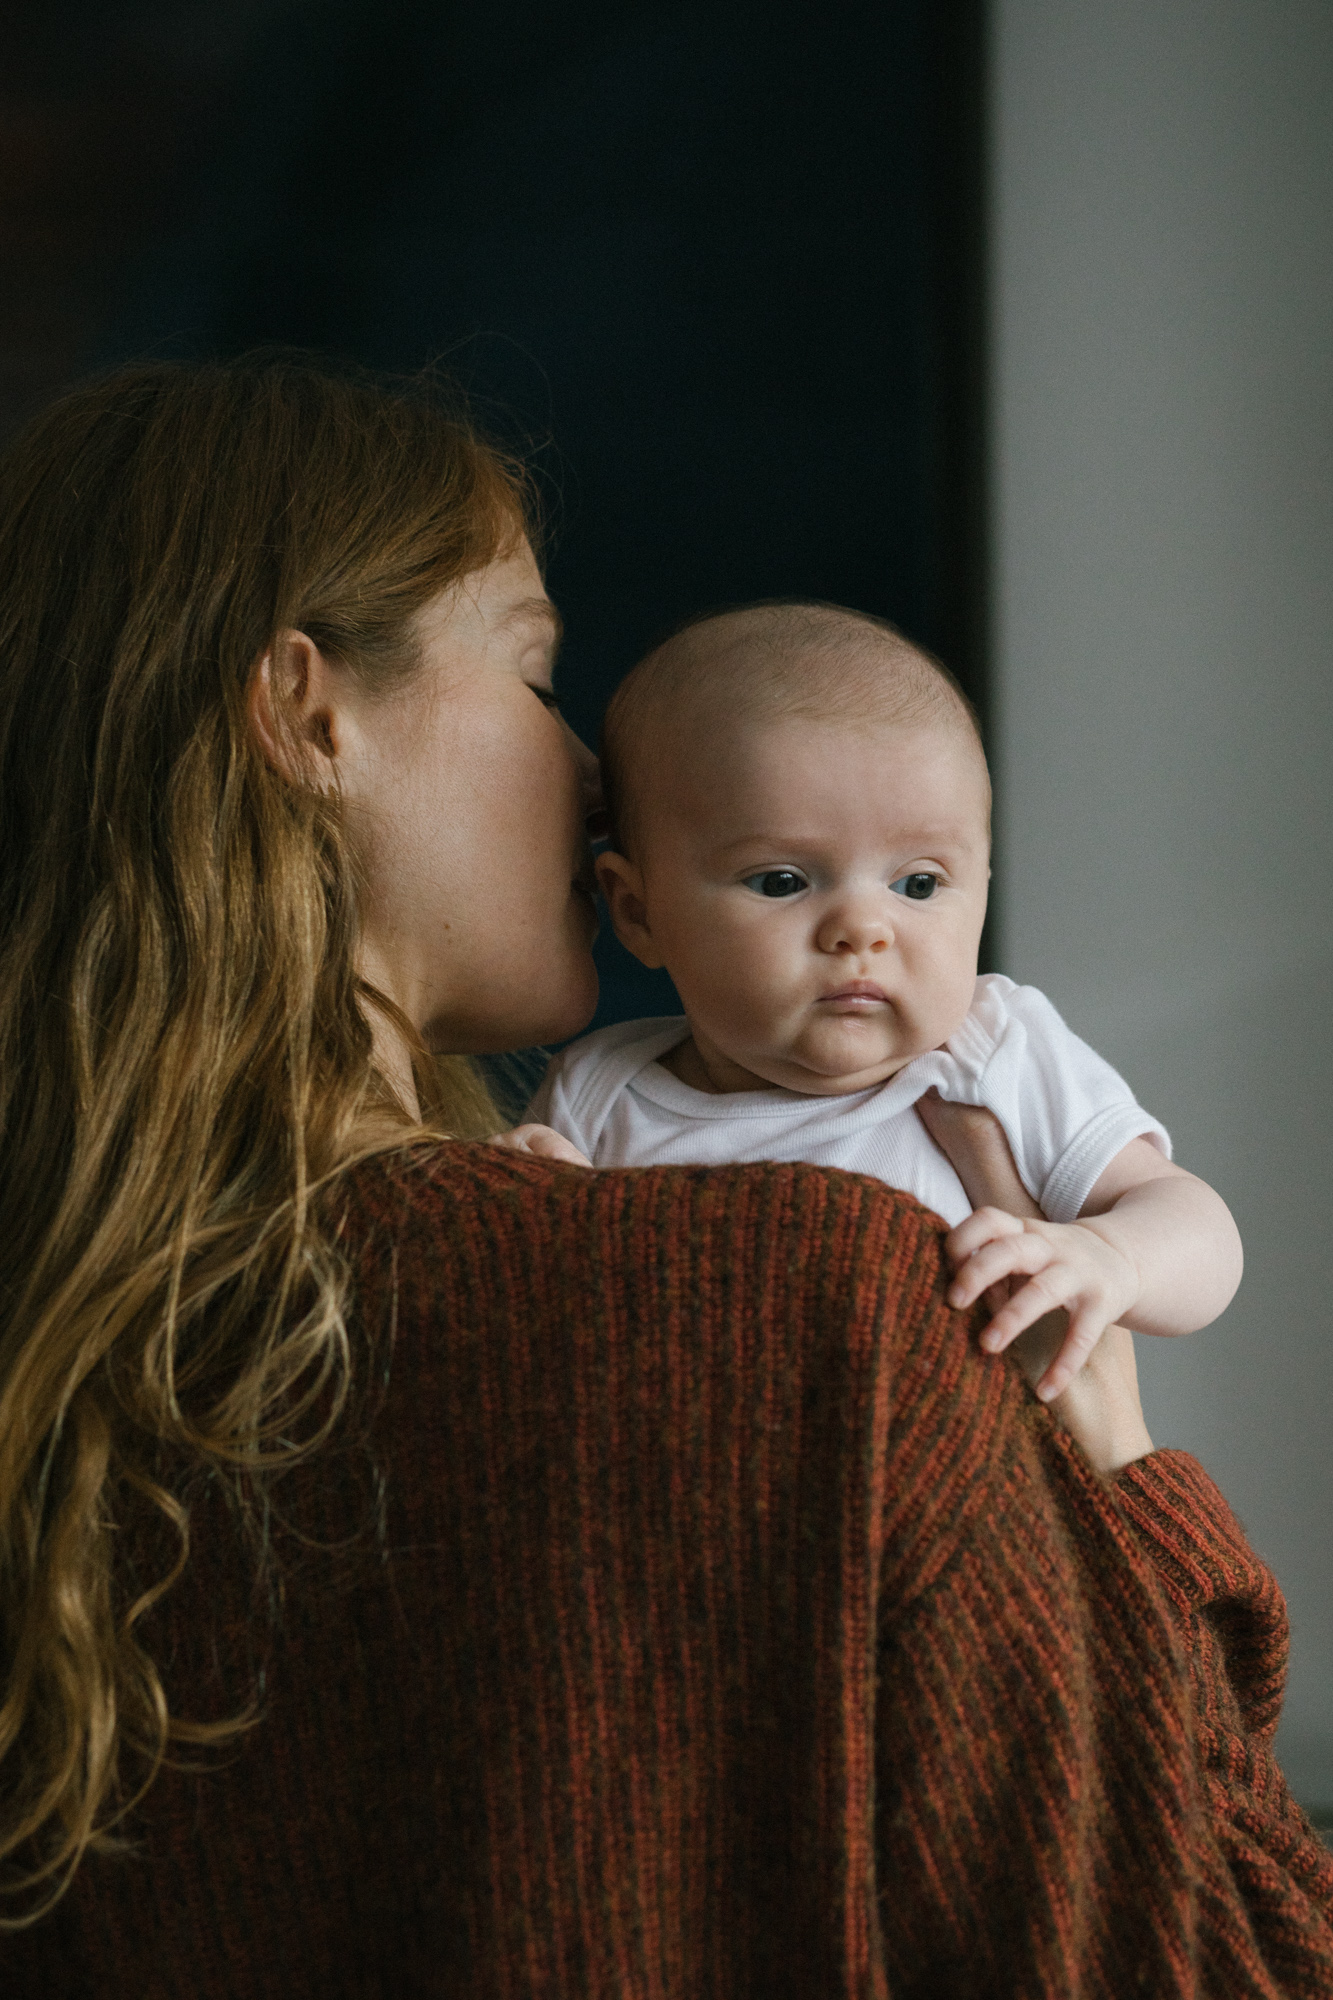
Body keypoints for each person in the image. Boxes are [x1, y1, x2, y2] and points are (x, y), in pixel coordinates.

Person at [0, 357, 1329, 1998]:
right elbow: (1231, 1959)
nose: (584, 768)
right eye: (534, 672)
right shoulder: (809, 1315)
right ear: (308, 713)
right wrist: (1124, 1479)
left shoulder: (71, 1379)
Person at [527, 602, 1243, 1401]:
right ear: (637, 911)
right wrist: (538, 1220)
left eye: (918, 884)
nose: (862, 928)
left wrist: (1112, 1257)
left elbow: (1196, 1228)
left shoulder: (989, 1054)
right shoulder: (599, 1095)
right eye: (782, 881)